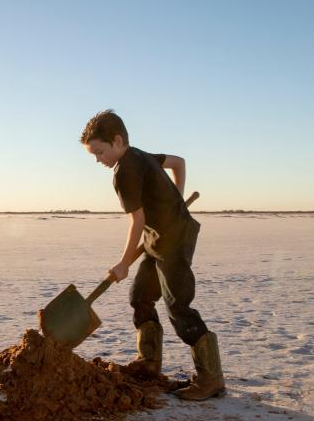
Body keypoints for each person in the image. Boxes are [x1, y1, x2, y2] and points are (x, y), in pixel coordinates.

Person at [80, 108, 225, 400]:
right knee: (141, 297)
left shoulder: (124, 172)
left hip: (174, 240)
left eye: (99, 152)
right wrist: (177, 199)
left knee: (178, 306)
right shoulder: (143, 156)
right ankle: (149, 362)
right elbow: (179, 162)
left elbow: (137, 221)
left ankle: (212, 378)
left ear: (117, 140)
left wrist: (123, 263)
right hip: (158, 240)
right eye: (94, 155)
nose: (99, 160)